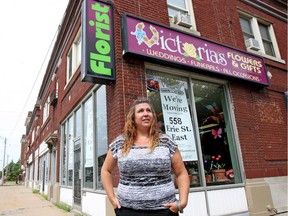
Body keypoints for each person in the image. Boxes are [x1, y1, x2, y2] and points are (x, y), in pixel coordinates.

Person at [101, 98, 190, 215]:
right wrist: (112, 199)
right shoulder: (120, 143)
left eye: (149, 110)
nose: (146, 114)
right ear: (133, 117)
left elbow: (181, 173)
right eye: (141, 111)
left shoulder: (166, 141)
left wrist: (182, 203)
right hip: (128, 210)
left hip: (163, 210)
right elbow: (105, 170)